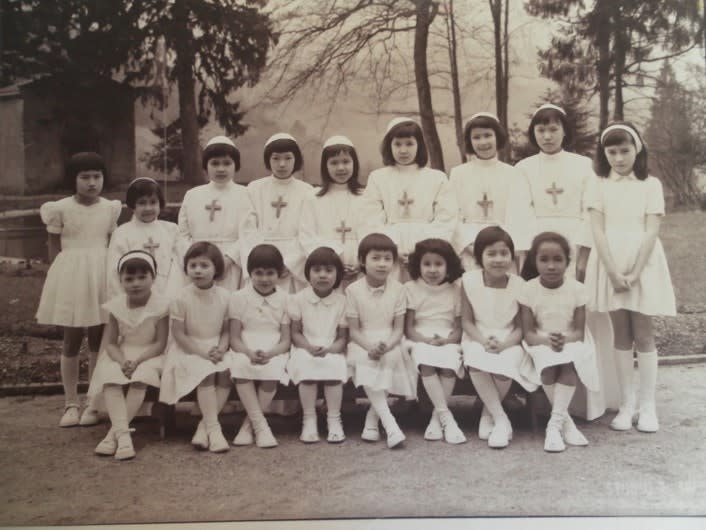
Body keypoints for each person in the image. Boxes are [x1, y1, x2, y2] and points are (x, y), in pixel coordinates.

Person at [508, 103, 615, 421]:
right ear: (533, 133)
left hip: (575, 243)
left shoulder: (583, 166)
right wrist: (525, 257)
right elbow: (519, 212)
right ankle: (547, 404)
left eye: (553, 128)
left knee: (579, 313)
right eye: (541, 129)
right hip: (538, 246)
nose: (547, 135)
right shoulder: (524, 168)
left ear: (565, 131)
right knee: (543, 314)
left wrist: (582, 256)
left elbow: (590, 210)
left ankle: (586, 403)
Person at [585, 122, 676, 433]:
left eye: (625, 150)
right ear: (604, 153)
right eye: (612, 151)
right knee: (620, 333)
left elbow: (652, 230)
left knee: (643, 332)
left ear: (637, 150)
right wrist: (612, 271)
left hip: (643, 262)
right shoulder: (598, 184)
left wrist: (635, 271)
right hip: (609, 260)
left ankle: (648, 407)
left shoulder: (650, 184)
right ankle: (627, 404)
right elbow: (597, 229)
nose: (619, 158)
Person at [35, 152, 122, 427]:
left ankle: (92, 402)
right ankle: (70, 402)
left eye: (97, 176)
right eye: (85, 177)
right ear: (72, 179)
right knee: (72, 338)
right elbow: (53, 246)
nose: (92, 182)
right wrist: (58, 275)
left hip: (101, 273)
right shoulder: (60, 208)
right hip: (72, 273)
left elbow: (112, 241)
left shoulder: (110, 208)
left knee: (98, 337)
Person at [519, 232, 600, 452]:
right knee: (547, 364)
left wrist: (564, 339)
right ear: (534, 261)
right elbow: (528, 333)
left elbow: (579, 332)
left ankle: (553, 427)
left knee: (567, 361)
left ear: (567, 262)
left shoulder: (577, 290)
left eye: (558, 259)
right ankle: (566, 424)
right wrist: (546, 340)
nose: (551, 266)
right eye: (544, 260)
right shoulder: (528, 289)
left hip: (571, 339)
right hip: (539, 340)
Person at [461, 227, 537, 449]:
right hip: (477, 335)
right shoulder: (469, 280)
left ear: (512, 256)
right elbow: (466, 321)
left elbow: (521, 327)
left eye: (504, 253)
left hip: (509, 338)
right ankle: (502, 419)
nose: (498, 259)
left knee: (507, 361)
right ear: (479, 257)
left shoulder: (520, 285)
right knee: (475, 358)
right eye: (491, 254)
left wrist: (504, 344)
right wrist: (483, 340)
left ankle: (488, 413)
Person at [89, 250, 169, 460]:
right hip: (123, 354)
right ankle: (124, 437)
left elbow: (160, 343)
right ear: (121, 280)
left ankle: (112, 435)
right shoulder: (116, 306)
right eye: (129, 278)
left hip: (150, 354)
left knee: (140, 379)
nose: (136, 283)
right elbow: (111, 343)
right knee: (111, 379)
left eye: (142, 277)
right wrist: (123, 360)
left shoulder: (161, 306)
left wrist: (138, 361)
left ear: (153, 277)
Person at [359, 117, 457, 282]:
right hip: (388, 253)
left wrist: (421, 251)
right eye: (397, 144)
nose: (403, 150)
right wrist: (392, 249)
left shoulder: (436, 178)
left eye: (409, 144)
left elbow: (446, 218)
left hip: (427, 254)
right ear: (389, 146)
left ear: (419, 145)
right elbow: (370, 218)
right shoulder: (378, 178)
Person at [159, 242, 232, 453]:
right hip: (189, 348)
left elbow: (227, 329)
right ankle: (214, 429)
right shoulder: (181, 297)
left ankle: (203, 427)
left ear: (216, 269)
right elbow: (179, 334)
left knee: (228, 373)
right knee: (206, 373)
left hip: (216, 347)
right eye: (193, 265)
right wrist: (202, 353)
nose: (198, 270)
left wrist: (221, 348)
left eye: (204, 265)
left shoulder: (226, 296)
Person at [345, 233, 416, 448]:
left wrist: (387, 346)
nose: (382, 264)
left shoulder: (398, 289)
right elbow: (354, 331)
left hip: (390, 340)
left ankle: (372, 420)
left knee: (392, 358)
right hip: (362, 341)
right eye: (375, 258)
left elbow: (398, 328)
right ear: (362, 261)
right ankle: (390, 424)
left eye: (387, 258)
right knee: (367, 360)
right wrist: (370, 347)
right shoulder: (352, 290)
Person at [403, 238, 466, 444]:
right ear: (418, 266)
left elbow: (458, 328)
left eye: (438, 264)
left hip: (447, 338)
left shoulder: (456, 290)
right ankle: (446, 417)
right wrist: (426, 340)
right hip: (420, 338)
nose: (432, 269)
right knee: (426, 360)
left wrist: (446, 341)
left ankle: (436, 419)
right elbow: (409, 328)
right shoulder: (411, 288)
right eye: (426, 264)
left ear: (448, 266)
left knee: (449, 365)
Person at [229, 244, 291, 448]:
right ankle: (261, 426)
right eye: (258, 273)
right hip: (245, 346)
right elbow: (235, 337)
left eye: (270, 273)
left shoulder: (285, 299)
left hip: (274, 348)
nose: (264, 279)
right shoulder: (238, 298)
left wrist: (271, 353)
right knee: (240, 366)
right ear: (250, 273)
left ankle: (249, 426)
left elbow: (285, 340)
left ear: (280, 273)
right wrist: (247, 352)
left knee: (272, 369)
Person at [449, 113, 525, 271]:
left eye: (488, 135)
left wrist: (504, 249)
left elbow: (519, 215)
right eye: (476, 137)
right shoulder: (458, 174)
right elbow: (451, 215)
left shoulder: (513, 173)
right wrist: (471, 246)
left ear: (498, 136)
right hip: (469, 250)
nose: (483, 142)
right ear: (469, 141)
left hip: (503, 250)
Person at [288, 247, 349, 443]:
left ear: (338, 274)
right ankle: (309, 419)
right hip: (305, 346)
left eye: (329, 270)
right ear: (308, 273)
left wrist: (330, 350)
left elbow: (342, 337)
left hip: (332, 348)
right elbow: (295, 332)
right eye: (317, 270)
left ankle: (334, 419)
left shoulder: (342, 302)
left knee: (334, 366)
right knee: (306, 366)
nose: (323, 275)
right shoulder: (298, 299)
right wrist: (308, 347)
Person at [241, 133, 314, 292]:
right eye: (276, 158)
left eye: (288, 158)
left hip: (293, 263)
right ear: (268, 160)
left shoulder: (307, 191)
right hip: (261, 261)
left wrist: (290, 263)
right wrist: (259, 261)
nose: (282, 164)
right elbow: (248, 229)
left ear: (296, 160)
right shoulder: (254, 189)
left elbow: (308, 231)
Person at [178, 135, 250, 291]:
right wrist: (195, 261)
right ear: (206, 166)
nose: (221, 169)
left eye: (227, 163)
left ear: (236, 165)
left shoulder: (246, 195)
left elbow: (249, 232)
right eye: (215, 163)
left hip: (230, 265)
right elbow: (182, 234)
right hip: (198, 265)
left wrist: (227, 260)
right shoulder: (192, 195)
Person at [299, 135, 365, 290]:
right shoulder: (313, 198)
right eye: (334, 163)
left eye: (346, 161)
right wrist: (333, 263)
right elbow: (306, 235)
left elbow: (371, 231)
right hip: (325, 269)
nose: (340, 168)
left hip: (358, 268)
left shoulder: (366, 196)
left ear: (354, 163)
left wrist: (361, 262)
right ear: (325, 166)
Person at [107, 177, 181, 299]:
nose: (148, 208)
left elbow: (179, 263)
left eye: (153, 202)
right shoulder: (122, 233)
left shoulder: (171, 230)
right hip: (135, 294)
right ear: (132, 206)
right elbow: (114, 272)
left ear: (160, 203)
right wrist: (122, 301)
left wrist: (173, 294)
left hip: (168, 292)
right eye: (142, 203)